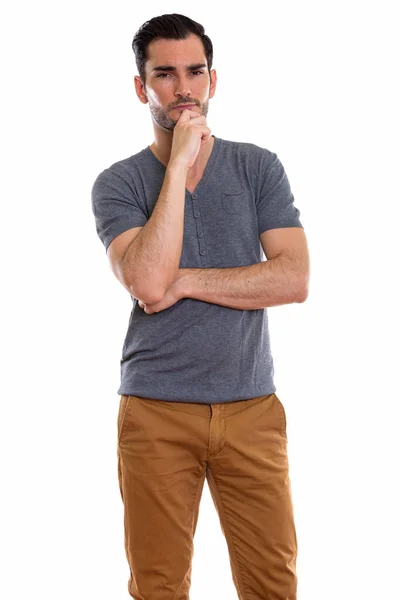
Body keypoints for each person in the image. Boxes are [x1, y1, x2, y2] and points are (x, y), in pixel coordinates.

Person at [91, 12, 310, 600]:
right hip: (155, 411)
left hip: (252, 410)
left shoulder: (257, 167)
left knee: (273, 585)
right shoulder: (119, 183)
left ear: (214, 79)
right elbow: (144, 280)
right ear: (142, 88)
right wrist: (181, 163)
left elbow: (293, 279)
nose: (183, 88)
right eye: (165, 74)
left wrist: (183, 281)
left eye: (195, 72)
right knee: (158, 587)